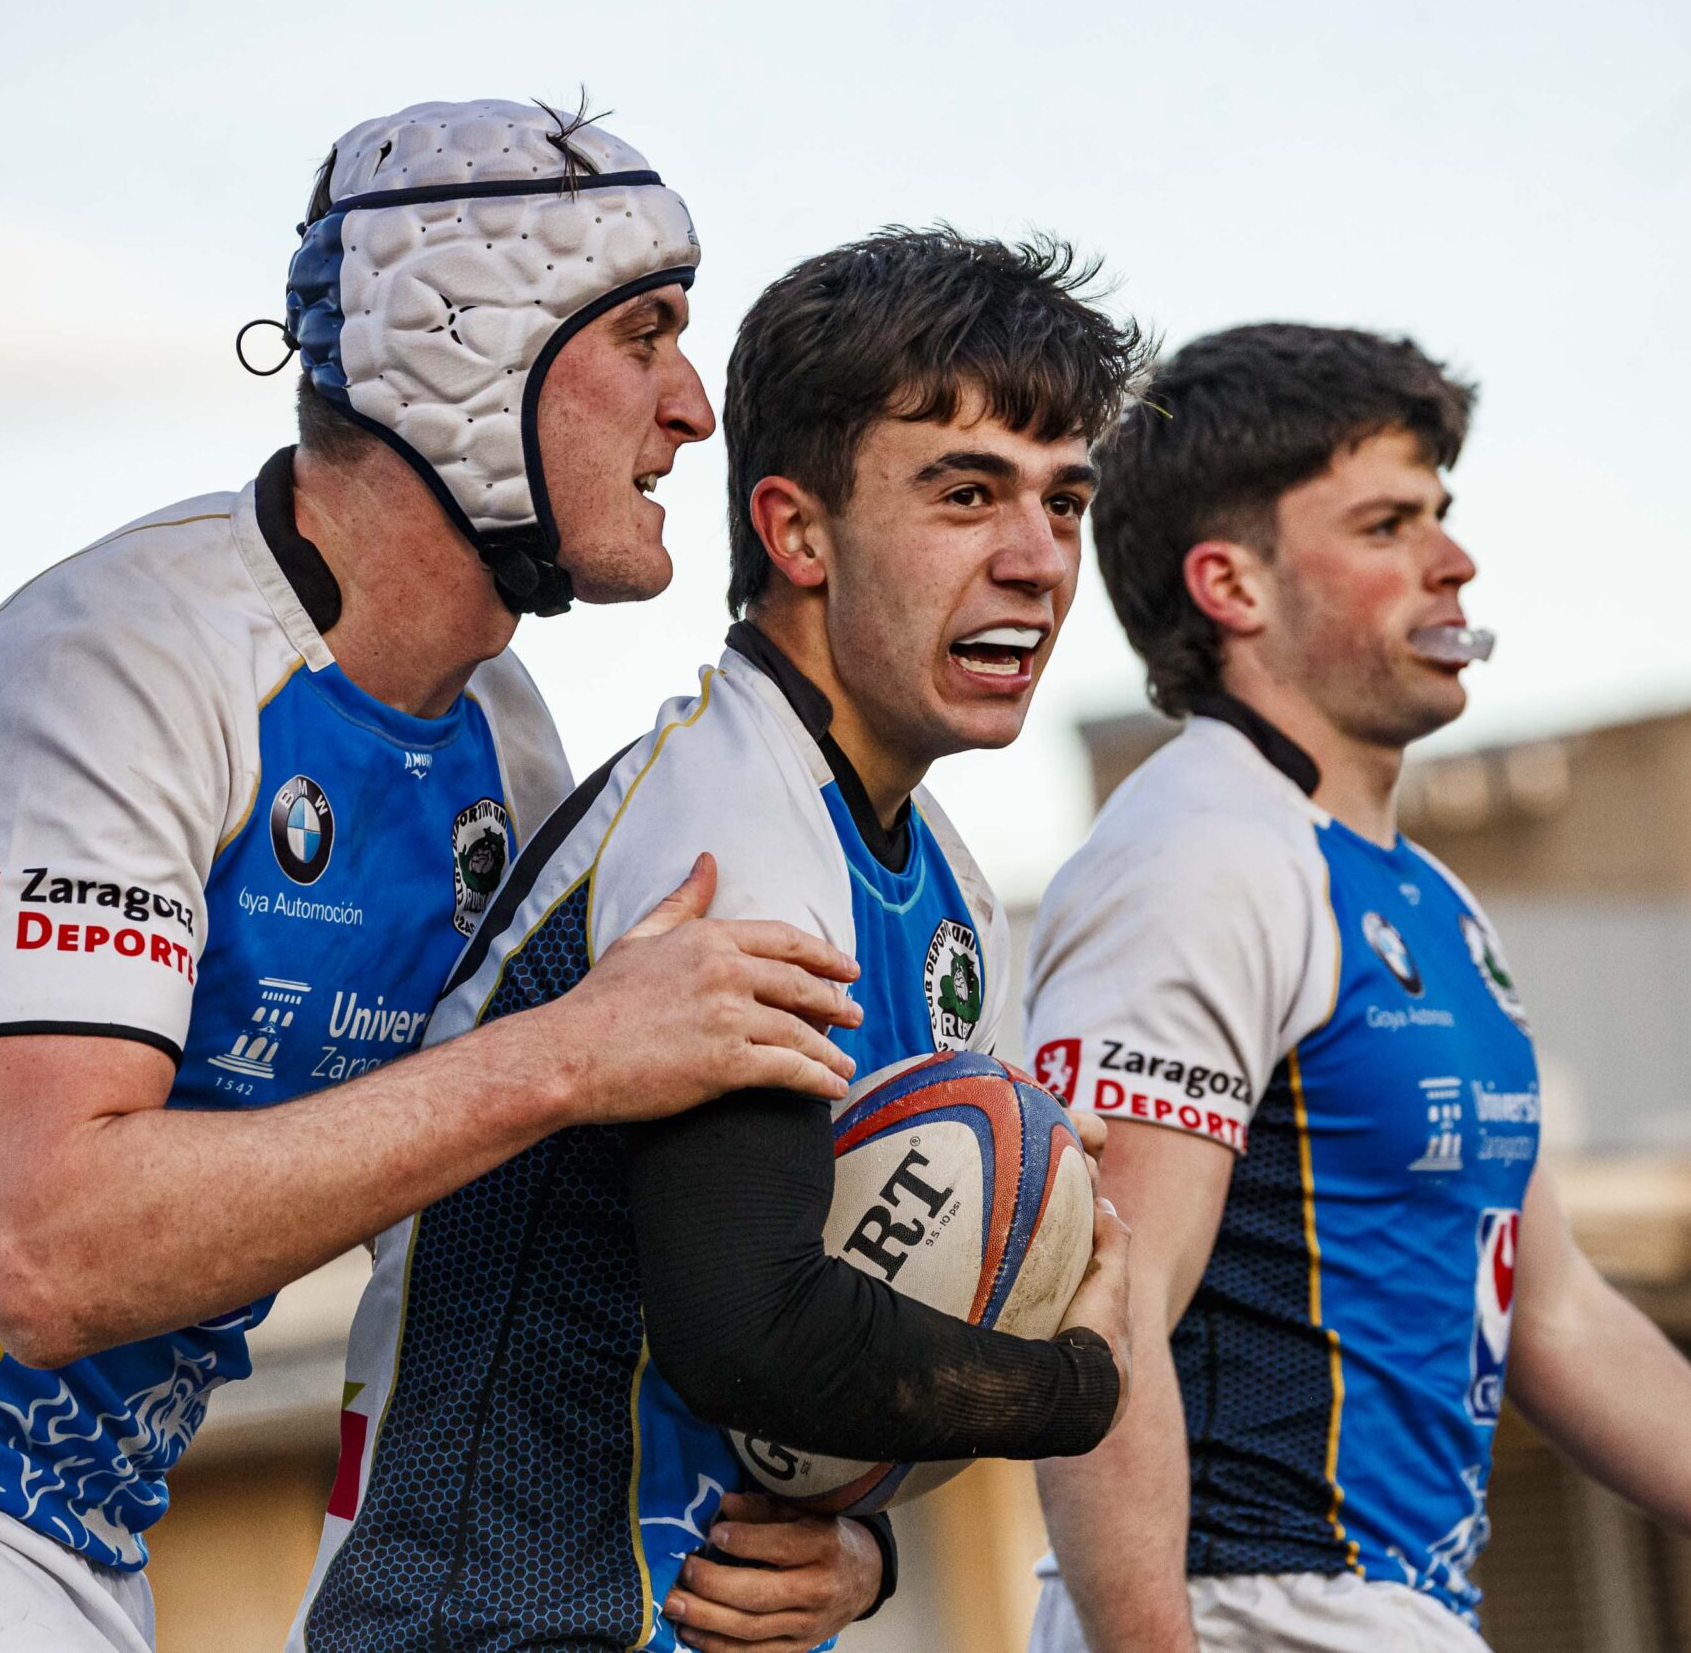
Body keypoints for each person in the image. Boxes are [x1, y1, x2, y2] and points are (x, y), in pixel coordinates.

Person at [0, 98, 869, 1653]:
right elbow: (50, 1251)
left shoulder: (504, 747)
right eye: (644, 335)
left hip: (71, 1549)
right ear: (470, 352)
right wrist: (568, 1055)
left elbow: (525, 1268)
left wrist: (844, 1530)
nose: (695, 409)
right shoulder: (113, 665)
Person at [1021, 323, 1691, 1653]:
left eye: (1442, 516)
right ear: (1232, 584)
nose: (1454, 562)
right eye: (1388, 524)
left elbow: (1555, 1314)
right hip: (1246, 1615)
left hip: (1387, 1616)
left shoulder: (1427, 899)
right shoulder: (1198, 859)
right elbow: (1102, 1316)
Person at [289, 228, 1151, 1653]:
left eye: (1065, 504)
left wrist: (862, 1551)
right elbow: (751, 1330)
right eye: (965, 495)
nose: (1036, 561)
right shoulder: (725, 826)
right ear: (796, 531)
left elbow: (888, 1319)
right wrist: (1072, 1390)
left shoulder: (939, 881)